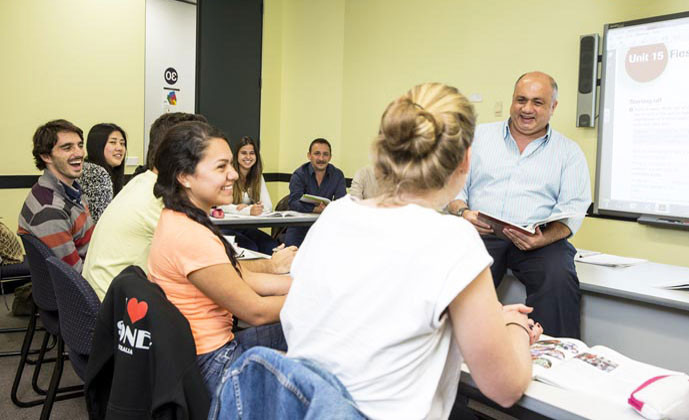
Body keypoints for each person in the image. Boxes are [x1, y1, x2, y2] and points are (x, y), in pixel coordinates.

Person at [281, 83, 541, 419]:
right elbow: (504, 388)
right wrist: (515, 328)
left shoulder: (335, 216)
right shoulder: (453, 238)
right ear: (465, 159)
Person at [83, 112, 295, 301]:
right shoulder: (162, 202)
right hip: (123, 320)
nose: (233, 174)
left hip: (115, 306)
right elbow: (224, 274)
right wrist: (272, 266)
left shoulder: (143, 183)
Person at [148, 121, 291, 396]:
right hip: (212, 362)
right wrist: (319, 299)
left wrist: (307, 286)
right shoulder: (189, 235)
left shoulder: (182, 218)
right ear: (185, 176)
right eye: (221, 167)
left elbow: (244, 277)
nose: (234, 174)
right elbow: (255, 312)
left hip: (202, 351)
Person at [448, 71, 591, 338]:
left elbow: (573, 210)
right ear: (512, 101)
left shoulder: (569, 153)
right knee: (457, 275)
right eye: (521, 100)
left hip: (538, 241)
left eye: (537, 102)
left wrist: (542, 239)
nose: (527, 109)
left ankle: (556, 355)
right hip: (482, 233)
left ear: (553, 107)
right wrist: (463, 212)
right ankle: (454, 351)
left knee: (558, 277)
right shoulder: (477, 138)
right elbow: (453, 190)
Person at [18, 119, 94, 272]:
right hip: (88, 283)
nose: (79, 153)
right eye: (67, 148)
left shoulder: (69, 190)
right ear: (46, 156)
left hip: (95, 262)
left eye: (80, 145)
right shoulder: (50, 211)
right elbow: (76, 277)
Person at [219, 136, 279, 254]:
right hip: (225, 227)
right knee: (251, 247)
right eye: (244, 153)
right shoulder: (228, 174)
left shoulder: (258, 177)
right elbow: (220, 205)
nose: (248, 157)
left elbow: (268, 207)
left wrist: (252, 208)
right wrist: (245, 210)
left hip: (247, 227)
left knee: (271, 246)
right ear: (236, 156)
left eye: (252, 153)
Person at [285, 138, 346, 246]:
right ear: (309, 156)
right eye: (317, 154)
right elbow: (293, 202)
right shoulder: (299, 174)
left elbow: (341, 202)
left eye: (325, 154)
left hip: (326, 226)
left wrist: (329, 210)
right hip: (300, 228)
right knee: (292, 256)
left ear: (330, 157)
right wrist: (315, 209)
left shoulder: (337, 175)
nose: (321, 158)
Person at [79, 123, 127, 222]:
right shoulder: (95, 174)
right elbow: (102, 221)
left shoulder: (88, 167)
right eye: (113, 142)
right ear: (98, 146)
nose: (119, 148)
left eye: (122, 143)